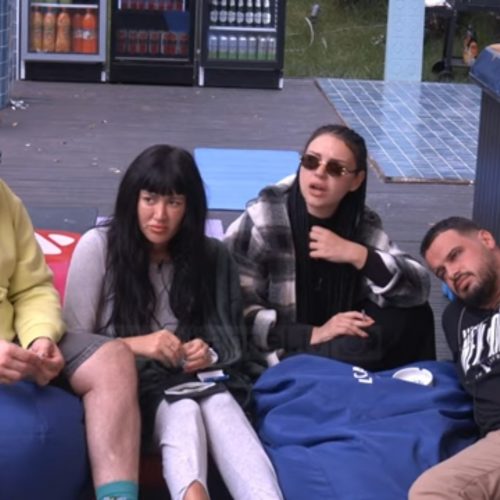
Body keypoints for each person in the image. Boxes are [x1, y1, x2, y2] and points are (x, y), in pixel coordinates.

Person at [62, 144, 283, 500]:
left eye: (174, 202)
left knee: (218, 402)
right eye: (149, 200)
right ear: (133, 200)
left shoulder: (210, 256)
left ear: (189, 208)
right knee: (183, 408)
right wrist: (137, 346)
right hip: (128, 397)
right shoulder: (99, 247)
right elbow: (72, 346)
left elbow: (230, 343)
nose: (160, 215)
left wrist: (208, 353)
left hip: (195, 383)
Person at [224, 124, 435, 371]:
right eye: (311, 161)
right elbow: (235, 312)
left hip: (342, 341)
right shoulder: (263, 222)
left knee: (415, 312)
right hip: (283, 350)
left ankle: (414, 386)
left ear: (356, 181)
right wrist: (315, 333)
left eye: (336, 168)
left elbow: (418, 287)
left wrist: (357, 254)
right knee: (353, 353)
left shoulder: (360, 224)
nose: (320, 173)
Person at [0, 178, 140, 500]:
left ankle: (117, 497)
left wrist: (40, 336)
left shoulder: (5, 200)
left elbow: (32, 287)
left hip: (15, 341)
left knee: (113, 359)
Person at [410, 216, 500, 499]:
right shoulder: (454, 318)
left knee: (433, 491)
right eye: (441, 272)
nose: (452, 273)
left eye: (455, 255)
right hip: (492, 440)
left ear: (486, 240)